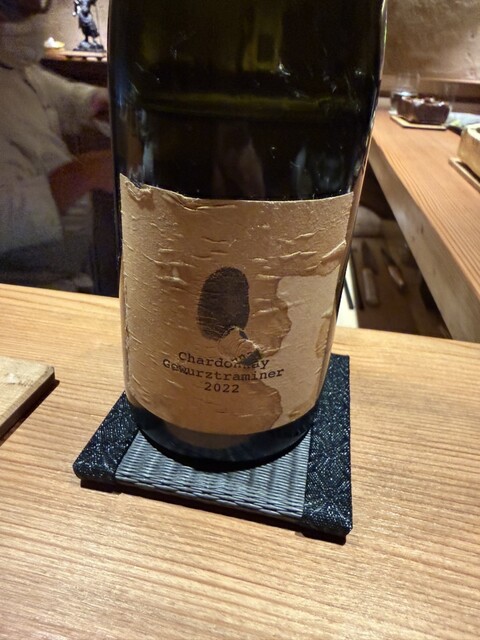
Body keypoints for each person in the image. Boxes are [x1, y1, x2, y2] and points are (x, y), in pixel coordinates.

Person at [0, 0, 113, 291]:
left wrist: (96, 102)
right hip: (18, 292)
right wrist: (82, 174)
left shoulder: (13, 68)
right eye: (20, 9)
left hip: (60, 279)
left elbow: (58, 93)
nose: (36, 18)